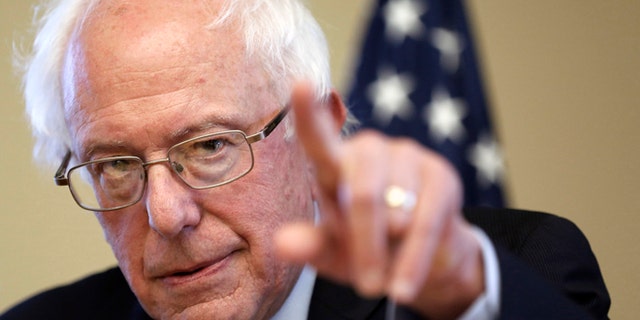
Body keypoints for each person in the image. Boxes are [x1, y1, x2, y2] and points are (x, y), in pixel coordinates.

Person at [2, 0, 609, 319]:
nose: (165, 213)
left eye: (210, 146)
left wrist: (466, 302)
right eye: (117, 165)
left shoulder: (515, 273)